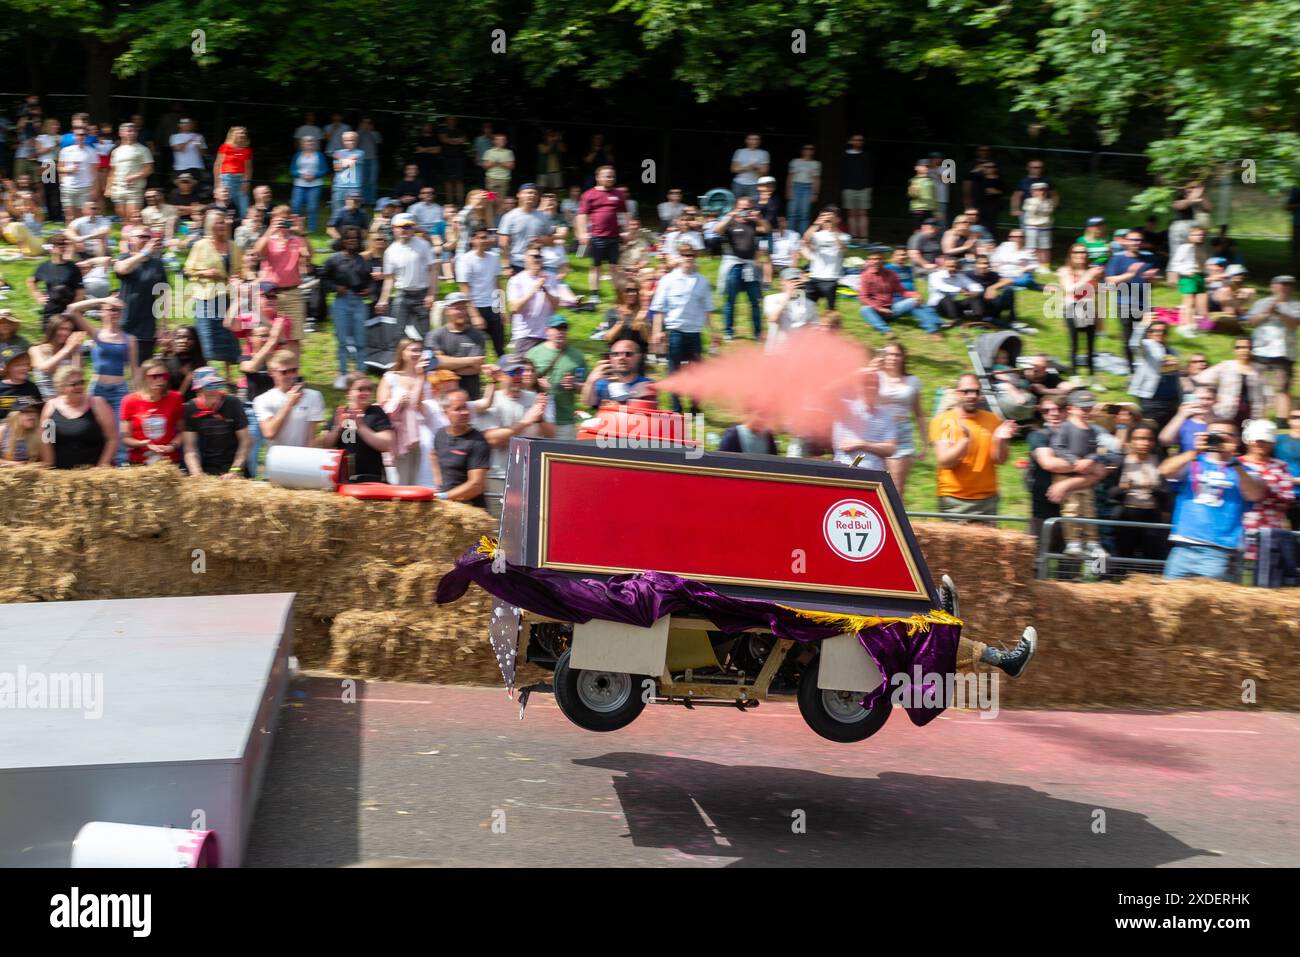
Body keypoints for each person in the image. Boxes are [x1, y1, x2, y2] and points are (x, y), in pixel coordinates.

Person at [1159, 418, 1266, 581]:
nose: (1219, 438)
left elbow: (1255, 494)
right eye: (1214, 435)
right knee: (1169, 601)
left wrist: (1233, 461)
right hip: (1183, 547)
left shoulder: (1246, 470)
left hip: (1220, 551)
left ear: (1237, 440)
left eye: (1225, 435)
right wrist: (1194, 451)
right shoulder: (1192, 462)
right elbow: (1164, 471)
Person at [930, 373, 1017, 516]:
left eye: (976, 391)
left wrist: (1001, 440)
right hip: (955, 500)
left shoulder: (993, 420)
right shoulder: (944, 421)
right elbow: (945, 462)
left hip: (988, 499)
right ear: (958, 393)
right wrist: (965, 441)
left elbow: (1000, 460)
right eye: (966, 391)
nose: (971, 395)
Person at [472, 359, 553, 512]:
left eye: (520, 372)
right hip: (500, 476)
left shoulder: (533, 398)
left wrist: (540, 418)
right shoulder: (491, 401)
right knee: (497, 531)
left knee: (529, 529)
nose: (518, 376)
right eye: (512, 372)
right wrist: (525, 421)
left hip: (531, 476)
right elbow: (492, 439)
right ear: (501, 375)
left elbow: (550, 435)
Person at [649, 249, 716, 414]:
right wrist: (657, 331)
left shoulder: (702, 281)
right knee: (674, 372)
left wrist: (714, 331)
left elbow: (707, 309)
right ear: (679, 258)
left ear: (695, 259)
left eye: (691, 256)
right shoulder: (668, 280)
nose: (688, 258)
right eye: (685, 255)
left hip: (694, 333)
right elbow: (659, 308)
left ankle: (695, 406)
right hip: (675, 331)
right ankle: (676, 409)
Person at [185, 210, 243, 379]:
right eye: (218, 222)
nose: (222, 224)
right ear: (210, 225)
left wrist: (237, 278)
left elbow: (240, 269)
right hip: (206, 296)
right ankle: (209, 376)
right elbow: (188, 270)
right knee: (207, 336)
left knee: (229, 336)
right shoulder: (200, 245)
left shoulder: (233, 246)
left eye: (224, 221)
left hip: (228, 297)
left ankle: (228, 376)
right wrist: (206, 272)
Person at [377, 338, 438, 485]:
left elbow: (425, 408)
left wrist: (421, 378)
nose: (417, 354)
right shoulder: (390, 377)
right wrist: (398, 402)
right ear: (402, 353)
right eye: (413, 350)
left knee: (418, 479)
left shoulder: (426, 380)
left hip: (421, 434)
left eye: (419, 350)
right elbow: (382, 407)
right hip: (399, 433)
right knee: (400, 480)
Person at [314, 372, 395, 483]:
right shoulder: (341, 413)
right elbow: (324, 445)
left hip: (371, 478)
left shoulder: (376, 412)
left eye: (369, 389)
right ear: (348, 393)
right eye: (360, 389)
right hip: (343, 478)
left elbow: (387, 444)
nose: (366, 393)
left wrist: (360, 426)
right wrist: (337, 428)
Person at [1235, 418, 1294, 563]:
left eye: (1265, 440)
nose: (1260, 444)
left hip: (1269, 531)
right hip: (1237, 529)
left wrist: (1263, 491)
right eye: (1257, 439)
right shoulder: (1235, 464)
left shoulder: (1281, 466)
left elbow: (1287, 497)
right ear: (1248, 440)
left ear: (1273, 442)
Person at [87, 297, 138, 465]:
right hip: (97, 388)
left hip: (119, 388)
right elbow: (72, 309)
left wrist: (136, 394)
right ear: (102, 312)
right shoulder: (96, 334)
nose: (113, 313)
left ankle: (121, 464)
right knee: (93, 425)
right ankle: (96, 460)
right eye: (110, 309)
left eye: (117, 310)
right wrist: (103, 299)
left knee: (119, 429)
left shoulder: (129, 339)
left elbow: (134, 369)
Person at [1111, 421, 1169, 563]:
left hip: (1152, 514)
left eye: (1148, 439)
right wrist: (1123, 488)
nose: (1144, 443)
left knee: (1152, 555)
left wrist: (1154, 488)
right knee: (1123, 554)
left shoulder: (1159, 461)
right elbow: (1110, 493)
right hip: (1126, 514)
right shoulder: (1122, 462)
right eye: (1139, 439)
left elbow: (1167, 491)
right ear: (1131, 441)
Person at [1104, 229, 1161, 371]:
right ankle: (1131, 369)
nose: (1137, 243)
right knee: (1128, 339)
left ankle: (1148, 367)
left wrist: (1153, 278)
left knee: (1149, 337)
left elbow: (1156, 282)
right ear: (1125, 242)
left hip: (1144, 303)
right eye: (1133, 240)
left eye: (1139, 240)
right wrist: (1130, 273)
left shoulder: (1149, 259)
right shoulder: (1117, 259)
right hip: (1124, 303)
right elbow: (1110, 281)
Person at [1243, 274, 1298, 419]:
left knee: (1283, 386)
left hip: (1285, 351)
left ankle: (1282, 419)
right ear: (1273, 286)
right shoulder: (1261, 302)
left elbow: (1294, 324)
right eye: (1282, 284)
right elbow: (1251, 322)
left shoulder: (1296, 305)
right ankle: (1258, 417)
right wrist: (1267, 312)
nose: (1285, 287)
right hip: (1261, 349)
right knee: (1258, 385)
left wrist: (1279, 313)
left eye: (1288, 284)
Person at [713, 196, 768, 341]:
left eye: (747, 208)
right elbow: (716, 230)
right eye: (741, 208)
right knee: (730, 300)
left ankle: (757, 333)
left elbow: (767, 229)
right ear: (736, 208)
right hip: (734, 265)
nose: (744, 211)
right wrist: (729, 217)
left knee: (755, 301)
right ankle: (728, 332)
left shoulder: (752, 223)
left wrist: (758, 218)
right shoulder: (730, 222)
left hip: (750, 265)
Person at [39, 366, 116, 469]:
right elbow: (47, 441)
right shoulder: (51, 406)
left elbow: (112, 439)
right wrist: (49, 467)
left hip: (93, 472)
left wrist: (101, 467)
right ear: (62, 387)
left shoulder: (97, 403)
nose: (79, 387)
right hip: (60, 474)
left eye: (81, 382)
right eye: (74, 384)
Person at [876, 342, 927, 497]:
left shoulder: (913, 381)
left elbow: (919, 413)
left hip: (901, 433)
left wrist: (925, 443)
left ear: (903, 357)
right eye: (889, 354)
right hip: (877, 433)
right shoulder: (875, 376)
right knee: (872, 485)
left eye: (897, 354)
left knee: (896, 489)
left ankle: (894, 521)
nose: (893, 358)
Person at [181, 366, 250, 477]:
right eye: (209, 386)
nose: (214, 390)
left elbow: (245, 442)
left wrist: (234, 471)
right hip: (208, 471)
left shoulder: (233, 403)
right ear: (199, 390)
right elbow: (190, 448)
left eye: (217, 384)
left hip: (235, 469)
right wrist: (196, 472)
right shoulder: (191, 407)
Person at [377, 213, 436, 339]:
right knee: (397, 333)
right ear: (394, 228)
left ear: (413, 228)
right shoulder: (390, 251)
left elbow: (433, 270)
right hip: (402, 294)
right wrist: (383, 299)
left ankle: (427, 357)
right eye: (401, 227)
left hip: (422, 294)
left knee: (425, 334)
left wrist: (431, 294)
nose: (405, 230)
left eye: (409, 227)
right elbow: (389, 279)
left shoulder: (423, 245)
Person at [526, 317, 586, 440]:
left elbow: (586, 387)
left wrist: (574, 384)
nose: (561, 332)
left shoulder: (577, 356)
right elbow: (523, 383)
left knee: (565, 458)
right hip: (539, 420)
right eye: (557, 328)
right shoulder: (534, 353)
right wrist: (537, 384)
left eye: (564, 328)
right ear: (547, 330)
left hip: (565, 421)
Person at [253, 349, 325, 451]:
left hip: (304, 458)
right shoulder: (262, 400)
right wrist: (288, 404)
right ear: (271, 373)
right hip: (277, 460)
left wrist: (307, 460)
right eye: (285, 372)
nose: (291, 375)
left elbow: (311, 438)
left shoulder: (313, 396)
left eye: (294, 370)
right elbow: (269, 433)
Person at [858, 250, 940, 337]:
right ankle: (886, 331)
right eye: (872, 259)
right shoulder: (865, 276)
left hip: (892, 309)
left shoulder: (891, 274)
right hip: (876, 310)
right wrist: (878, 308)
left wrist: (914, 295)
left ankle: (932, 331)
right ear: (868, 261)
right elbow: (863, 297)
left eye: (878, 259)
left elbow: (902, 291)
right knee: (864, 309)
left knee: (914, 302)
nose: (875, 261)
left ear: (883, 260)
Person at [120, 357, 184, 465]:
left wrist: (171, 446)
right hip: (139, 461)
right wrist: (143, 444)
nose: (160, 380)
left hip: (168, 462)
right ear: (144, 378)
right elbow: (126, 438)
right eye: (155, 376)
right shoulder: (129, 400)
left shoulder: (176, 398)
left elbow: (182, 432)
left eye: (164, 376)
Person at [575, 165, 627, 301]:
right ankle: (594, 296)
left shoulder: (619, 194)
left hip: (614, 237)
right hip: (597, 237)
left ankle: (619, 297)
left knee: (614, 267)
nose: (610, 178)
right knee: (595, 267)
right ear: (598, 178)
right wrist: (582, 233)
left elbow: (625, 214)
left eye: (612, 176)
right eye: (607, 176)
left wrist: (627, 231)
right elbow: (581, 215)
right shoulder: (589, 194)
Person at [832, 368, 898, 470]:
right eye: (867, 383)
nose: (872, 388)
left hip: (874, 476)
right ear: (858, 386)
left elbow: (890, 449)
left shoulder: (885, 416)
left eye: (875, 384)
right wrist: (858, 373)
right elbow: (827, 391)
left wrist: (862, 444)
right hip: (844, 470)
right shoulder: (845, 408)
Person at [1199, 338, 1268, 431]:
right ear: (1234, 350)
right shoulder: (1226, 366)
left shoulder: (1258, 370)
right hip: (1227, 411)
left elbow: (1265, 394)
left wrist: (1263, 414)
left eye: (1247, 347)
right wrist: (1214, 394)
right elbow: (1203, 378)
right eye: (1240, 347)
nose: (1244, 350)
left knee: (1247, 437)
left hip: (1250, 412)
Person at [427, 293, 486, 401]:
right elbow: (435, 363)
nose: (461, 312)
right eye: (457, 308)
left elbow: (476, 367)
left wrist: (447, 366)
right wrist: (470, 360)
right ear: (447, 311)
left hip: (471, 396)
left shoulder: (477, 336)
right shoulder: (435, 335)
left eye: (464, 308)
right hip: (443, 397)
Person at [1057, 243, 1104, 376]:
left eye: (1083, 252)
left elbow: (1097, 292)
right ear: (1071, 255)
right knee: (1075, 344)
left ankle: (1092, 377)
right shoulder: (1065, 271)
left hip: (1088, 308)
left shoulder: (1091, 270)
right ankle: (1074, 375)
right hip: (1072, 308)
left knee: (1091, 346)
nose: (1081, 255)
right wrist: (1088, 277)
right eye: (1077, 252)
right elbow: (1070, 289)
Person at [1128, 319, 1182, 432]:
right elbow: (1134, 344)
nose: (1159, 333)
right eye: (1155, 331)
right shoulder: (1147, 347)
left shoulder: (1173, 352)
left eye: (1163, 331)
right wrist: (1142, 325)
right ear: (1149, 333)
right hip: (1152, 400)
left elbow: (1176, 377)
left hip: (1172, 400)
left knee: (1167, 434)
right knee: (1151, 431)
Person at [506, 247, 560, 355]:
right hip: (525, 335)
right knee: (523, 370)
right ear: (525, 259)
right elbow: (515, 307)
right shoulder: (516, 280)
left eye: (540, 257)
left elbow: (556, 306)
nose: (538, 259)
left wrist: (545, 289)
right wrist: (533, 289)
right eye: (534, 256)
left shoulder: (551, 278)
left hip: (546, 335)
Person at [28, 235, 85, 328]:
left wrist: (73, 307)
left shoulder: (72, 267)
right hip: (52, 307)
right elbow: (31, 281)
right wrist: (38, 296)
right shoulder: (44, 266)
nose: (62, 247)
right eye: (58, 244)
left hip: (69, 306)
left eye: (64, 244)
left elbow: (80, 292)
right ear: (50, 248)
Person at [801, 206, 848, 309]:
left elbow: (841, 248)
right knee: (806, 308)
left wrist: (834, 227)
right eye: (825, 216)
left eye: (831, 217)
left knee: (830, 310)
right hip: (815, 277)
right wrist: (817, 223)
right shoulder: (818, 235)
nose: (828, 220)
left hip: (831, 279)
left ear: (838, 219)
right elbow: (804, 240)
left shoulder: (844, 236)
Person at [581, 339, 652, 407]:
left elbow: (649, 414)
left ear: (639, 357)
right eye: (616, 354)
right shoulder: (602, 383)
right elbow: (588, 403)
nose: (621, 358)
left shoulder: (646, 384)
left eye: (628, 354)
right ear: (610, 358)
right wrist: (590, 381)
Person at [105, 122, 153, 219]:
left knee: (133, 218)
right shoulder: (116, 151)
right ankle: (125, 234)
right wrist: (108, 188)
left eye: (134, 131)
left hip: (134, 188)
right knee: (122, 218)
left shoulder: (143, 149)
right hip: (118, 188)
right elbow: (112, 171)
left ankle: (135, 233)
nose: (132, 133)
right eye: (129, 131)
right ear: (121, 133)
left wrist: (134, 176)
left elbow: (149, 169)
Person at [765, 267, 819, 347]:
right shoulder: (772, 298)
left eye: (797, 281)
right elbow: (773, 319)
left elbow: (815, 327)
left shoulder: (809, 303)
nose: (795, 284)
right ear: (782, 282)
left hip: (798, 352)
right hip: (777, 350)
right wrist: (788, 296)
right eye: (791, 281)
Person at [1168, 224, 1209, 325]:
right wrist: (1185, 272)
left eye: (1202, 235)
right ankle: (1185, 324)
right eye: (1196, 235)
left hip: (1199, 276)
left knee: (1196, 302)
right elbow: (1175, 263)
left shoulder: (1202, 248)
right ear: (1190, 236)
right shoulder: (1185, 247)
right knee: (1188, 301)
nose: (1200, 237)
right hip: (1188, 277)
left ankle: (1193, 323)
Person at [1159, 384, 1216, 453]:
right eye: (1200, 399)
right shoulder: (1183, 422)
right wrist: (1180, 415)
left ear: (1215, 401)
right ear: (1193, 400)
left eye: (1209, 399)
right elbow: (1164, 441)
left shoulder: (1221, 422)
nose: (1204, 402)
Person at [213, 127, 253, 218]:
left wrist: (246, 183)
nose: (243, 134)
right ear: (233, 135)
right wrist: (217, 184)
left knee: (244, 207)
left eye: (244, 133)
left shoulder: (247, 150)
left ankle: (242, 228)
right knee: (226, 207)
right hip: (227, 179)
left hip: (241, 180)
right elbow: (217, 165)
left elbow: (248, 168)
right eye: (240, 133)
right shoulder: (225, 147)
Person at [289, 136, 325, 232]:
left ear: (314, 144)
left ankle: (312, 229)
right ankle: (294, 227)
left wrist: (315, 175)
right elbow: (292, 170)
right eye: (307, 142)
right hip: (299, 184)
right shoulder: (297, 155)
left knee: (312, 207)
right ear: (302, 144)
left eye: (311, 142)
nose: (309, 144)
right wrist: (301, 175)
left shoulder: (319, 155)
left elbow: (324, 170)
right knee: (296, 206)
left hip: (315, 185)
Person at [840, 135, 872, 244]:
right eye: (856, 139)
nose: (858, 142)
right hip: (848, 188)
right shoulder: (845, 155)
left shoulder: (866, 155)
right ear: (850, 141)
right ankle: (854, 237)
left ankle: (864, 238)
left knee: (863, 213)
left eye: (861, 140)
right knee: (851, 214)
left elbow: (869, 172)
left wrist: (868, 186)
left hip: (864, 188)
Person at [0, 347, 43, 420]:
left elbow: (39, 413)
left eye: (26, 364)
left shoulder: (32, 388)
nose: (24, 368)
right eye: (18, 365)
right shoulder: (1, 388)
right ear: (7, 368)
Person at [331, 130, 365, 216]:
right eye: (347, 140)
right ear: (343, 141)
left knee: (354, 212)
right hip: (339, 187)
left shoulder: (360, 153)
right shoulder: (339, 152)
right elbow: (337, 168)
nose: (350, 142)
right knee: (337, 212)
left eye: (352, 140)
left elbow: (350, 162)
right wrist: (347, 161)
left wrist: (340, 159)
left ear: (356, 141)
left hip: (354, 187)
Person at [0, 395, 41, 465]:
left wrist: (29, 467)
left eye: (35, 412)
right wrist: (14, 464)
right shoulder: (3, 430)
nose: (32, 415)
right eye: (27, 411)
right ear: (15, 414)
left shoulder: (40, 432)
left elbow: (47, 462)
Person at [729, 133, 769, 200]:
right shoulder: (739, 152)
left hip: (755, 184)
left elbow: (765, 172)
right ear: (746, 140)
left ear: (759, 141)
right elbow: (733, 169)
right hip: (738, 183)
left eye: (756, 139)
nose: (754, 141)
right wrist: (746, 168)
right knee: (734, 204)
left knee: (753, 206)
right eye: (751, 139)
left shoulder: (764, 153)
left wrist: (756, 167)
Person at [906, 158, 937, 229]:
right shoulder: (913, 180)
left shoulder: (931, 180)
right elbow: (911, 195)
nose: (926, 168)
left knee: (930, 231)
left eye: (928, 166)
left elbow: (934, 196)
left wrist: (936, 211)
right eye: (924, 166)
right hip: (918, 210)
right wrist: (913, 191)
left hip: (930, 210)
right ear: (916, 167)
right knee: (918, 231)